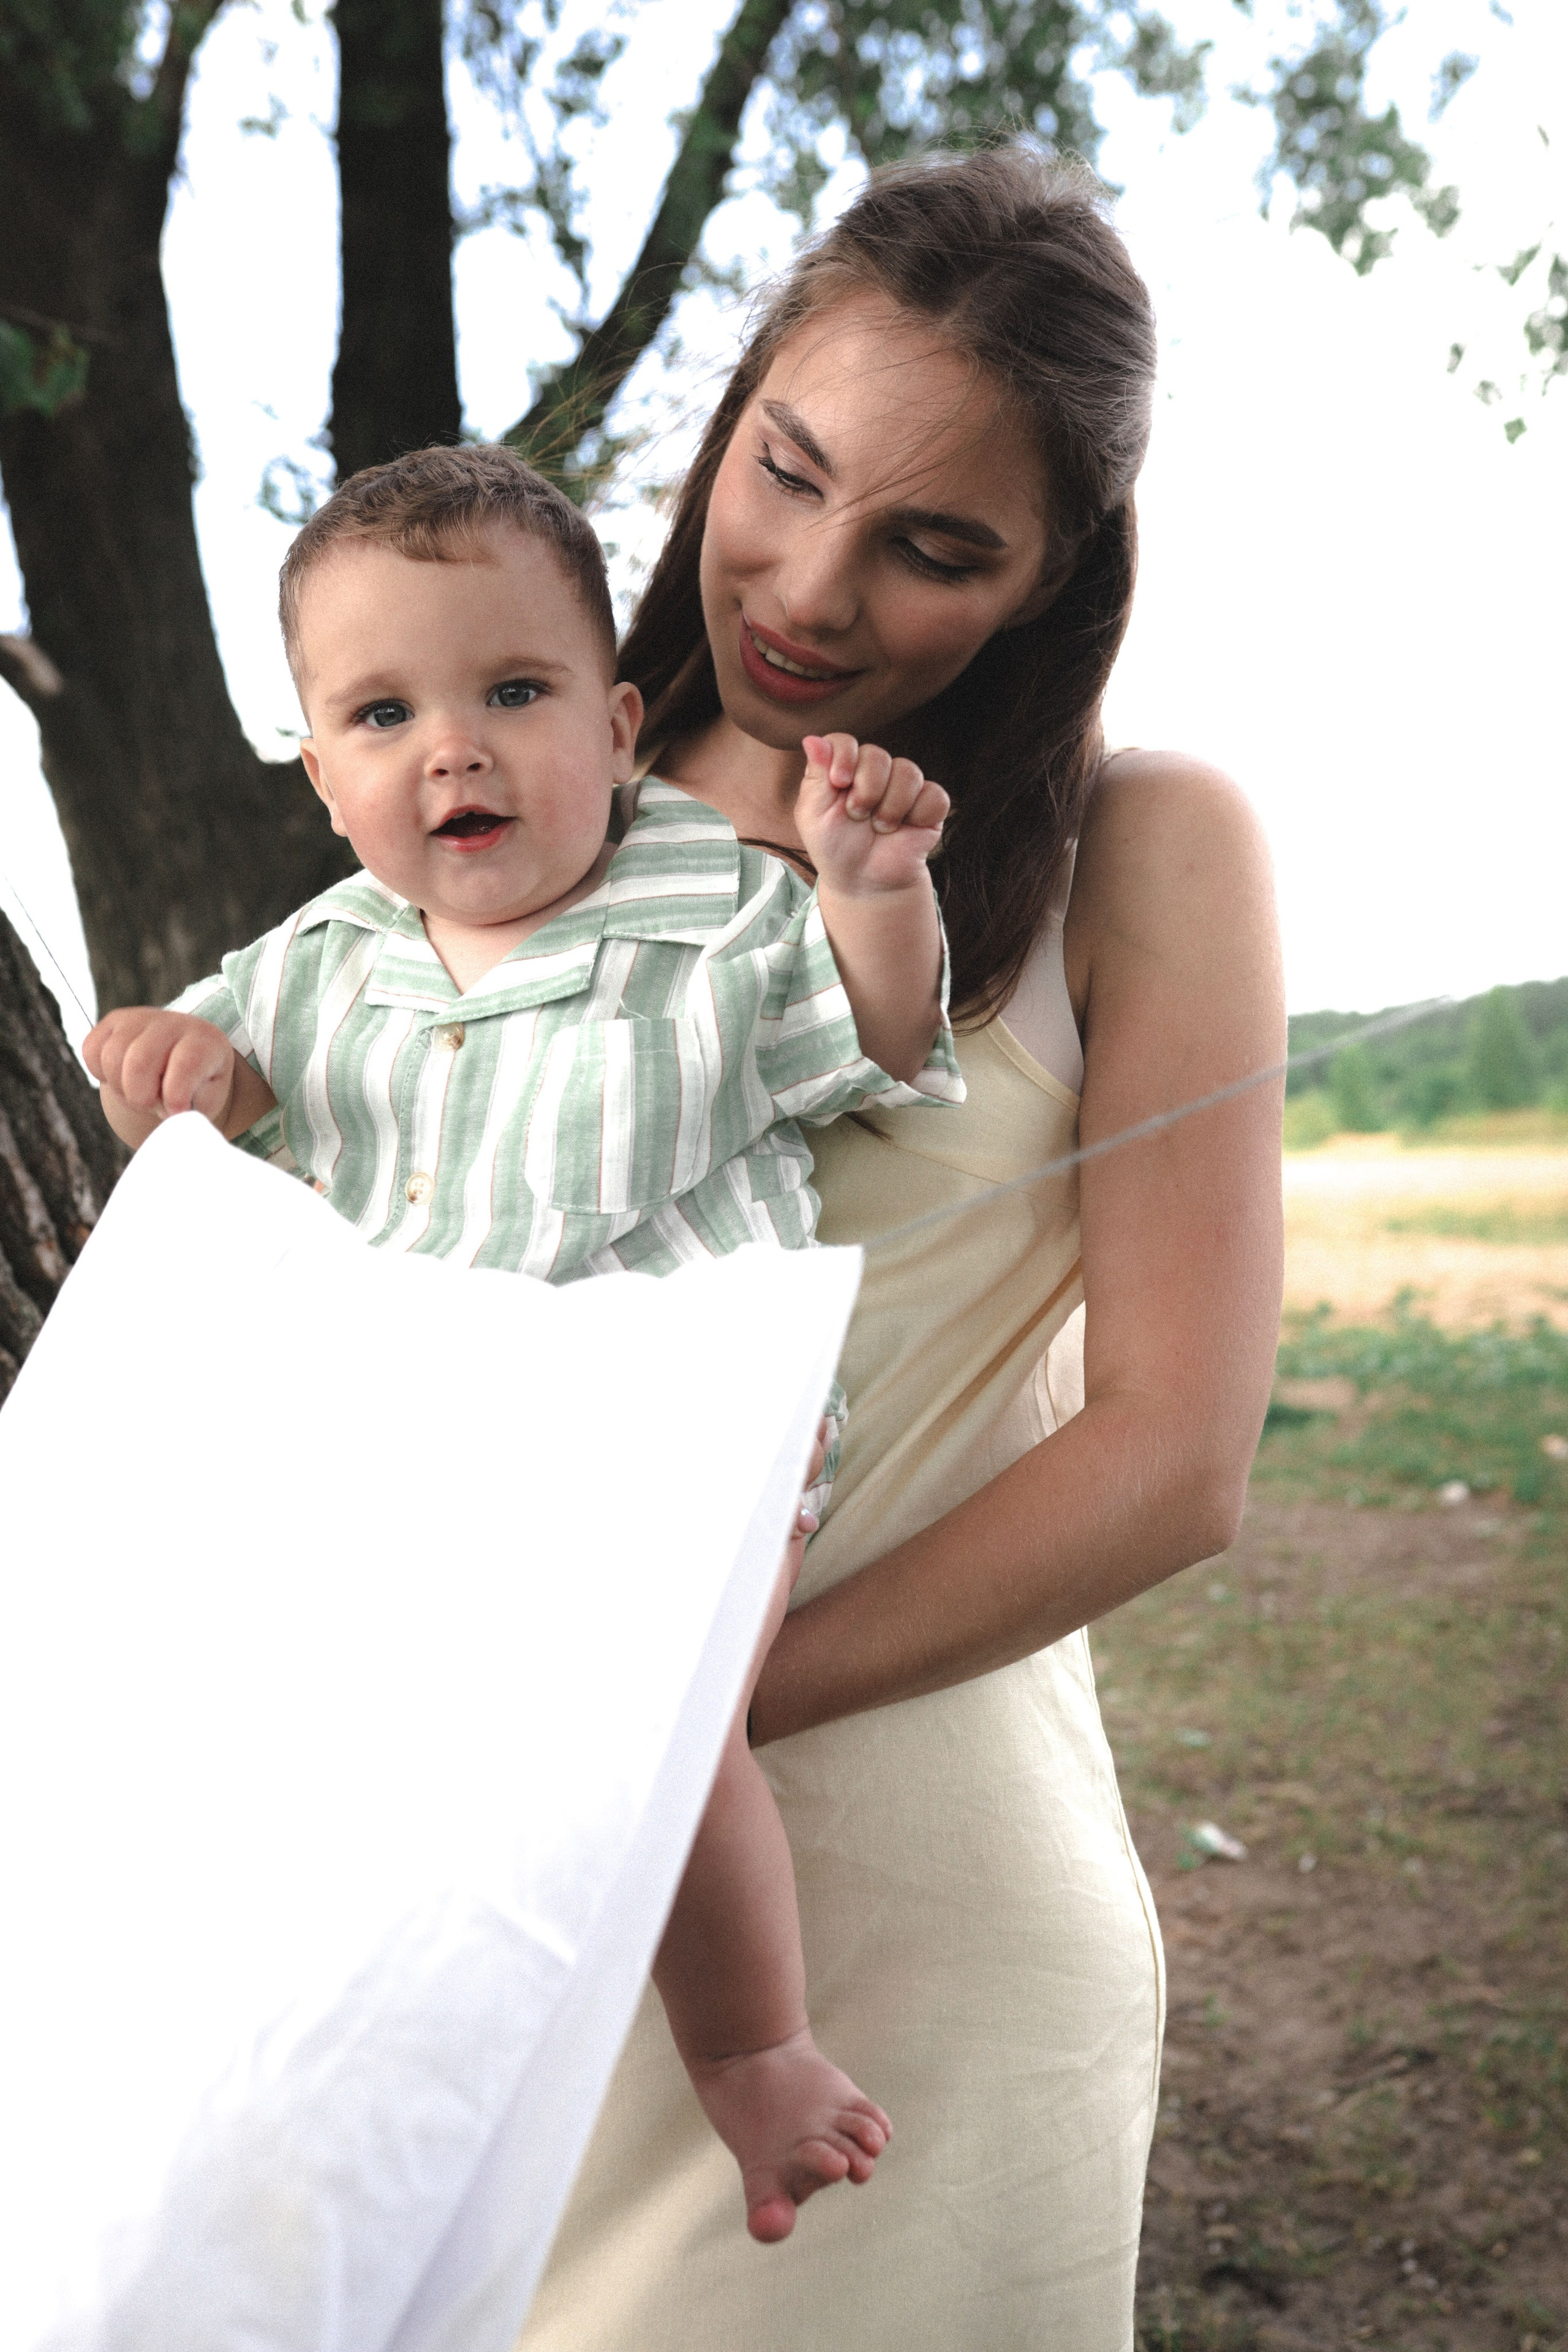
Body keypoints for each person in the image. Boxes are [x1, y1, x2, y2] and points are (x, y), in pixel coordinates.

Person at [515, 145, 1286, 2349]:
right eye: (790, 470)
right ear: (740, 397)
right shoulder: (512, 777)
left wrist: (690, 1718)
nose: (816, 590)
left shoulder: (1145, 851)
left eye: (935, 550)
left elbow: (1175, 1454)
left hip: (907, 1956)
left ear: (1054, 589)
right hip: (504, 1891)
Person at [80, 443, 970, 2244]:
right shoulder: (318, 960)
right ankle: (295, 2045)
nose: (453, 749)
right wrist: (165, 1068)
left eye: (512, 691)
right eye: (384, 714)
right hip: (420, 1425)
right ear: (323, 773)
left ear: (620, 722)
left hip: (667, 1423)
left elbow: (876, 1042)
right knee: (314, 1707)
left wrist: (873, 888)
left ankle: (753, 2052)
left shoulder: (716, 908)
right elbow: (212, 1097)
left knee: (655, 1735)